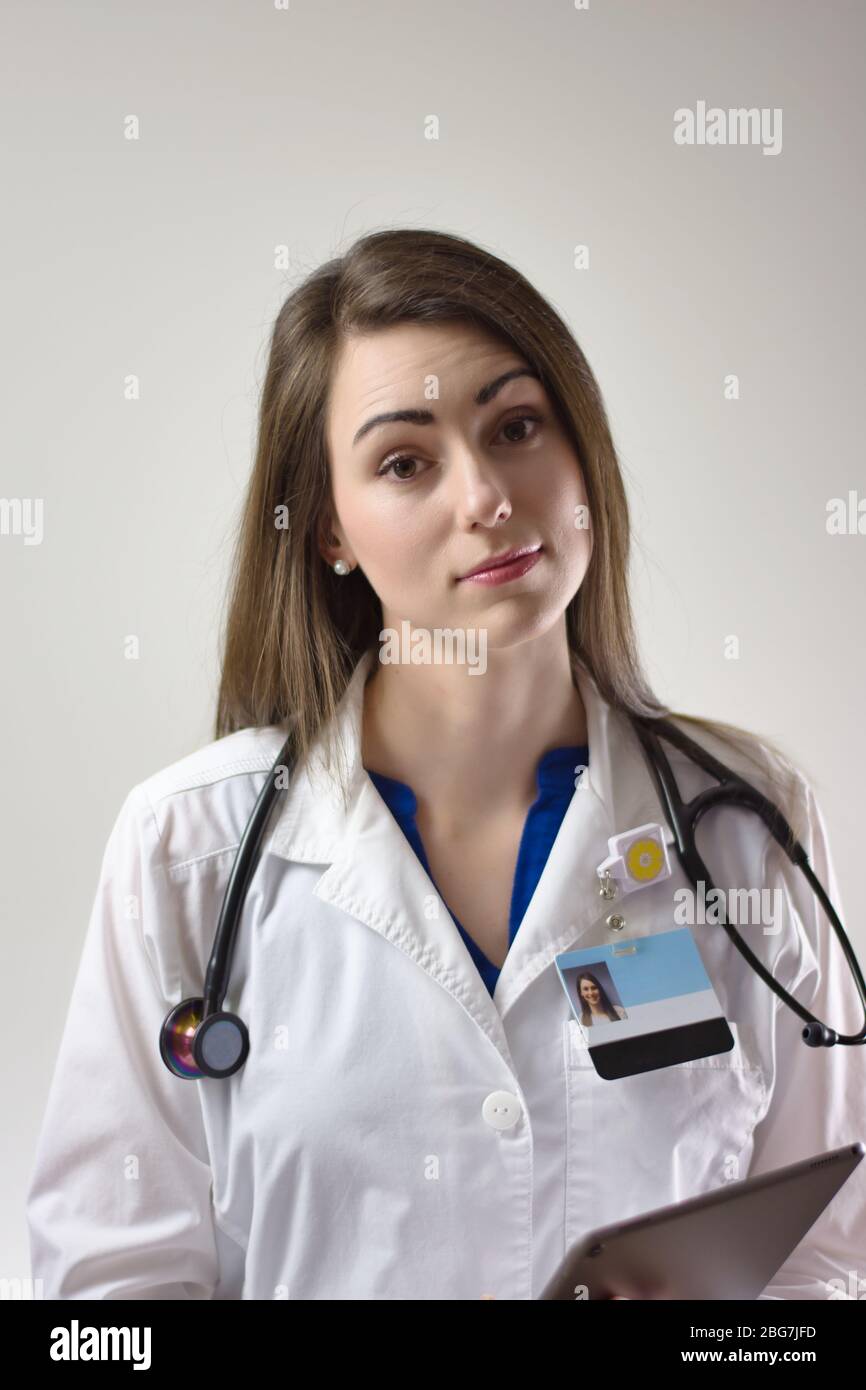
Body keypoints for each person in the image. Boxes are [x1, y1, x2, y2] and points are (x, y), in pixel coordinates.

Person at [26, 228, 866, 1301]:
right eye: (404, 462)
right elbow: (107, 1296)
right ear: (328, 528)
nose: (485, 496)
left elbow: (822, 1257)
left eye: (516, 427)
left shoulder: (745, 825)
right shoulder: (185, 849)